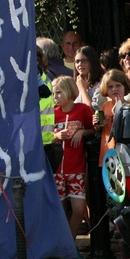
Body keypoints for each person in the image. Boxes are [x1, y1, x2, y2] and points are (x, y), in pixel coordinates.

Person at [51, 76, 95, 242]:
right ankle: (62, 244)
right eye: (54, 93)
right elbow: (44, 137)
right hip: (57, 170)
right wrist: (56, 135)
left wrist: (82, 132)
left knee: (78, 209)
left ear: (69, 91)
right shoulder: (52, 113)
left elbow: (93, 129)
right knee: (60, 211)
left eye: (58, 93)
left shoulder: (82, 110)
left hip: (76, 169)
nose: (55, 97)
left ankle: (70, 242)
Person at [94, 69, 130, 165]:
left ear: (125, 87)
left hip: (123, 153)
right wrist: (97, 124)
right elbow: (100, 128)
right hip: (108, 151)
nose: (114, 89)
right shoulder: (105, 106)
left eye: (118, 85)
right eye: (110, 87)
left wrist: (118, 112)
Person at [73, 46, 105, 110]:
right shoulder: (73, 85)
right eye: (77, 61)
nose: (80, 64)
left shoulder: (102, 84)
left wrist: (83, 89)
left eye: (84, 60)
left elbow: (90, 112)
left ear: (92, 62)